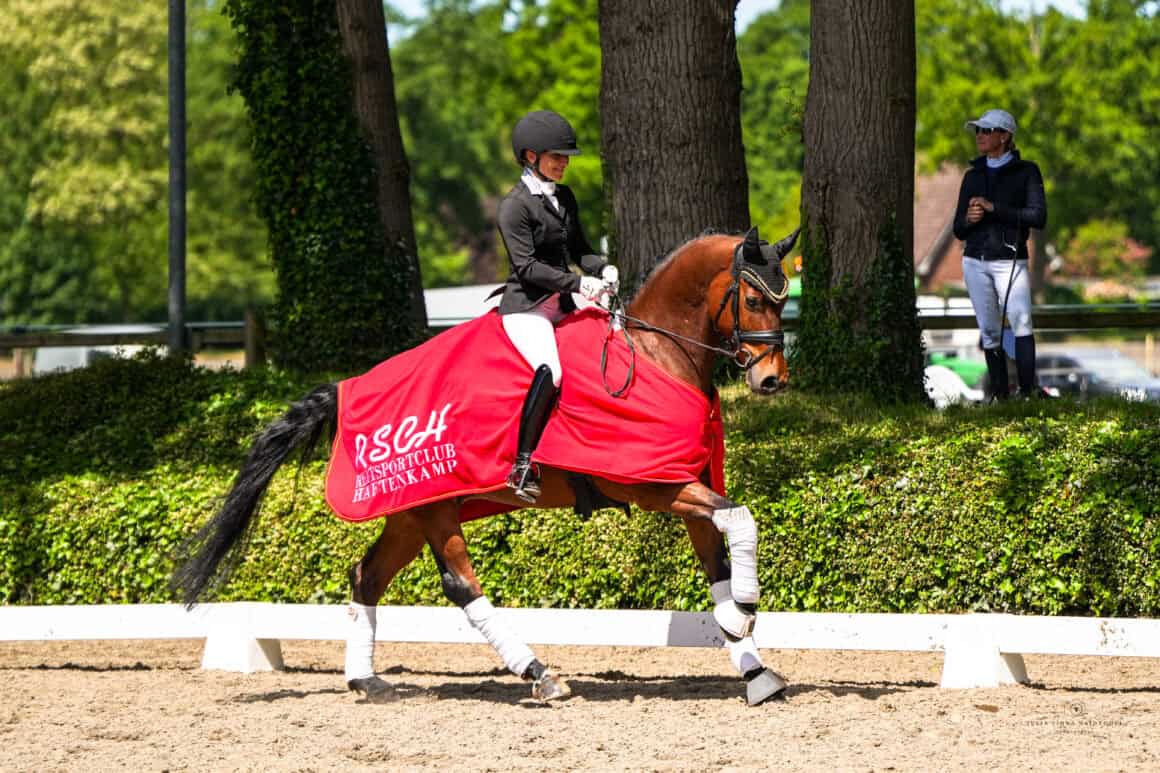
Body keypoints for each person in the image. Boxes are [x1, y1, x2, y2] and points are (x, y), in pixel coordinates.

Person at [494, 110, 617, 502]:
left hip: (561, 300)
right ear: (531, 156)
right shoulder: (514, 207)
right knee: (554, 371)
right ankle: (522, 465)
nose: (564, 163)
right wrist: (579, 283)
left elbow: (579, 250)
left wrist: (603, 267)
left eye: (566, 157)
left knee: (613, 343)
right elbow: (527, 267)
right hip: (527, 308)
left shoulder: (564, 196)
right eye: (557, 156)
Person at [952, 108, 1049, 400]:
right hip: (974, 261)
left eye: (986, 130)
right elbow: (958, 229)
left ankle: (1027, 392)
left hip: (1010, 261)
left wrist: (994, 208)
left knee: (1022, 322)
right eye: (978, 130)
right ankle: (999, 397)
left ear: (1004, 136)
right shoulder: (972, 176)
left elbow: (1038, 217)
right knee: (989, 331)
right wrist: (969, 218)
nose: (979, 136)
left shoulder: (1027, 172)